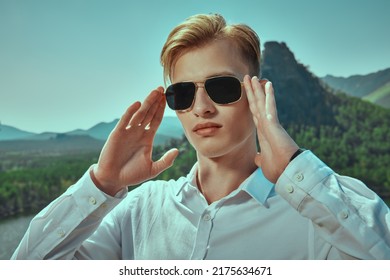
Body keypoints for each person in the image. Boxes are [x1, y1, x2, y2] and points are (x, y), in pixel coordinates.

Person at [12, 13, 390, 260]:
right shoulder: (137, 211)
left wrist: (295, 168)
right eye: (183, 93)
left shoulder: (314, 217)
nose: (202, 107)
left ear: (256, 91)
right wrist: (102, 184)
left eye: (222, 88)